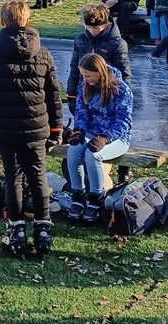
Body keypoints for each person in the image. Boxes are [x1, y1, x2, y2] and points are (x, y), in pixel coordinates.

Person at [0, 0, 62, 259]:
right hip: (37, 127)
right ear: (26, 21)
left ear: (3, 21)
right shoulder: (43, 53)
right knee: (38, 176)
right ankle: (43, 227)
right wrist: (56, 128)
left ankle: (17, 228)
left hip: (7, 128)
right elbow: (53, 95)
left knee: (13, 177)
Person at [66, 53, 134, 223]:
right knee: (74, 151)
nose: (85, 78)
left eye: (88, 75)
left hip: (117, 137)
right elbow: (81, 111)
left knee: (93, 155)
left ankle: (96, 197)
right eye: (83, 75)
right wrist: (79, 130)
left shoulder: (121, 89)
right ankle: (78, 195)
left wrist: (105, 137)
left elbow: (124, 121)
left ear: (99, 71)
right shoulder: (86, 85)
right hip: (91, 133)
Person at [65, 3, 131, 116]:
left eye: (96, 27)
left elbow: (123, 72)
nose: (92, 31)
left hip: (106, 92)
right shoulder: (80, 40)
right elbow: (74, 68)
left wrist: (122, 96)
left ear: (105, 25)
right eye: (88, 27)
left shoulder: (117, 44)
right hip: (85, 90)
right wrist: (71, 93)